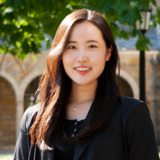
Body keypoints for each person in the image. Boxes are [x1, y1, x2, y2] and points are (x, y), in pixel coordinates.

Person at [14, 9, 159, 160]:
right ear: (60, 53)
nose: (81, 58)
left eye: (92, 46)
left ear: (108, 52)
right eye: (71, 47)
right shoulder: (34, 118)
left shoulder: (131, 114)